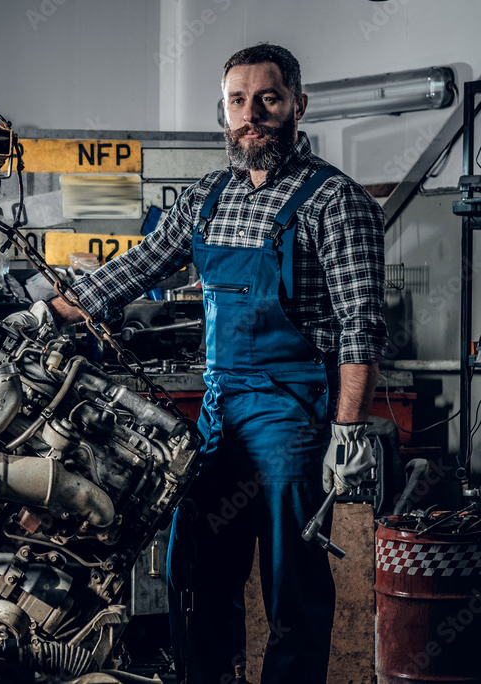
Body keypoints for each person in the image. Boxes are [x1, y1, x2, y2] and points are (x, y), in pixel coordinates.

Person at [39, 44, 384, 683]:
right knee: (194, 569)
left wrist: (349, 430)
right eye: (237, 101)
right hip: (221, 410)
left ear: (298, 106)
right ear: (223, 112)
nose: (251, 114)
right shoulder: (209, 196)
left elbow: (362, 329)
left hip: (293, 417)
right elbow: (134, 270)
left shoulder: (336, 203)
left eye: (268, 99)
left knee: (292, 586)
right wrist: (44, 314)